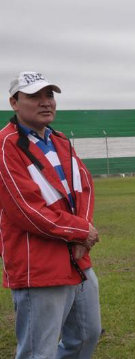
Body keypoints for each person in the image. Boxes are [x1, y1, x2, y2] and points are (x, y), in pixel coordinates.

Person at [0, 71, 101, 358]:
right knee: (38, 352)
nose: (46, 102)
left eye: (49, 95)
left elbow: (85, 186)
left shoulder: (59, 140)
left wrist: (83, 231)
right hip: (38, 266)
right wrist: (80, 231)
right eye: (34, 96)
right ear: (14, 103)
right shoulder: (5, 145)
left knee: (86, 336)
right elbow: (26, 210)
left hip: (77, 259)